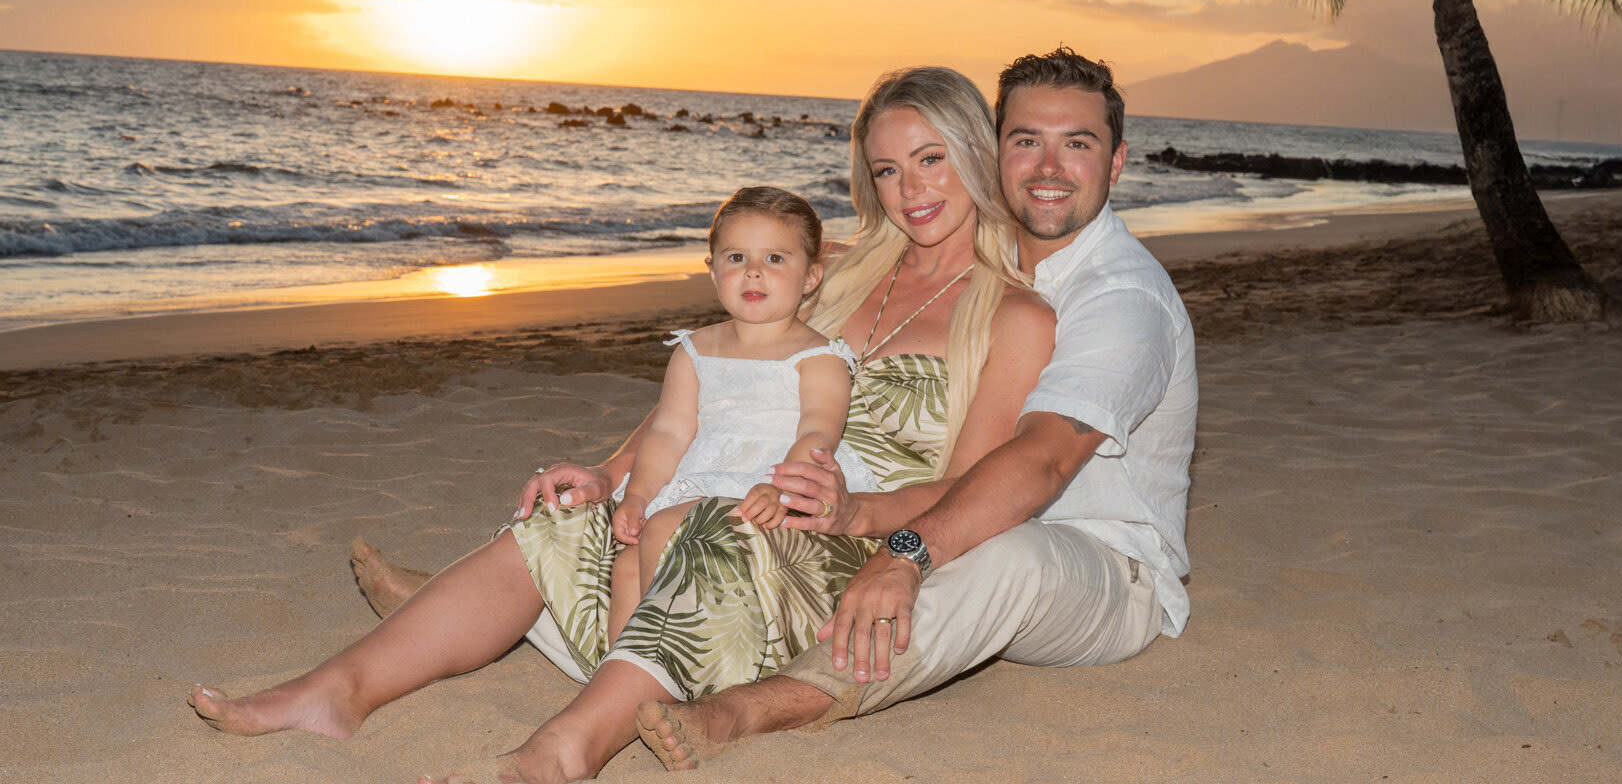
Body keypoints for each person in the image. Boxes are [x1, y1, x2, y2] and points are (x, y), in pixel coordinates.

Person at [189, 66, 1055, 784]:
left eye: (932, 159)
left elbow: (966, 493)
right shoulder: (835, 272)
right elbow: (720, 389)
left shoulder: (1012, 316)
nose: (912, 190)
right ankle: (338, 691)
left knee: (708, 528)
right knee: (569, 517)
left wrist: (848, 509)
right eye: (888, 170)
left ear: (974, 156)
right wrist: (610, 474)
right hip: (733, 495)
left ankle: (563, 752)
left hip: (844, 546)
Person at [635, 47, 1197, 771]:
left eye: (1078, 144)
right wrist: (626, 471)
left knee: (1007, 553)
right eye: (1027, 141)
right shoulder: (966, 259)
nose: (1048, 167)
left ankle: (757, 707)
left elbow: (1043, 461)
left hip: (1102, 566)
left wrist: (903, 549)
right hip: (963, 518)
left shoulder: (1121, 297)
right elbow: (747, 371)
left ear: (1116, 162)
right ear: (994, 153)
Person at [527, 185, 882, 645]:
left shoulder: (819, 356)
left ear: (811, 276)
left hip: (772, 490)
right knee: (628, 566)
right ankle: (624, 669)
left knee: (665, 531)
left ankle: (657, 656)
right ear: (712, 269)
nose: (753, 271)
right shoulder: (695, 349)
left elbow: (818, 433)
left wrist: (781, 488)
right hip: (703, 477)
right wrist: (636, 496)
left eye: (775, 258)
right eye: (736, 257)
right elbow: (668, 434)